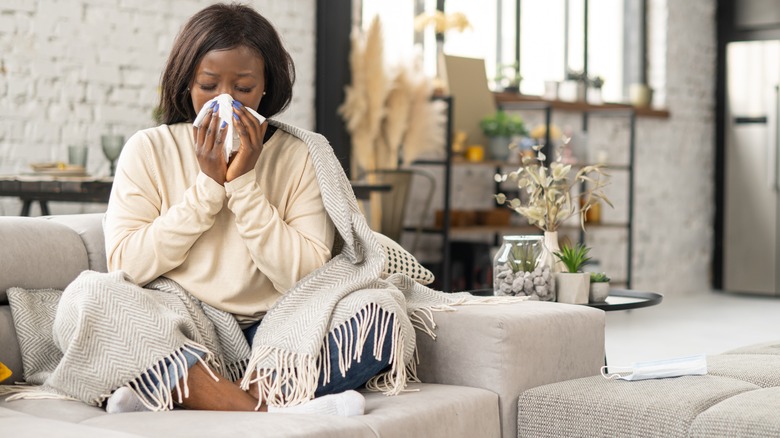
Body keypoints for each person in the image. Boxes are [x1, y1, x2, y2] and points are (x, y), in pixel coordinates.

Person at [85, 3, 392, 415]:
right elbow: (126, 266)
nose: (224, 103)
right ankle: (265, 411)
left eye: (243, 89)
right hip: (183, 324)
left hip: (280, 326)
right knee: (89, 296)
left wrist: (244, 185)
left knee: (381, 312)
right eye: (208, 86)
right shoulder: (150, 149)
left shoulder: (301, 155)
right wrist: (208, 188)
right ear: (187, 85)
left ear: (266, 88)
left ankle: (186, 391)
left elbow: (305, 277)